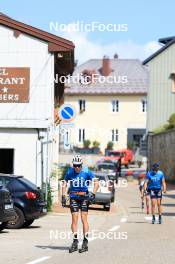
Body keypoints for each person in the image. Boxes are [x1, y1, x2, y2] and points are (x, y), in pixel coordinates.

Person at [61, 154, 99, 253]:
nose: (77, 167)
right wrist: (63, 196)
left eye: (78, 165)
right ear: (73, 165)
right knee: (74, 219)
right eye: (75, 165)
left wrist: (93, 194)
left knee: (83, 219)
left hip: (84, 197)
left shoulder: (86, 171)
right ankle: (75, 241)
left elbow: (96, 182)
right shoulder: (70, 171)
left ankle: (85, 242)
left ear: (81, 165)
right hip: (73, 197)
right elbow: (64, 183)